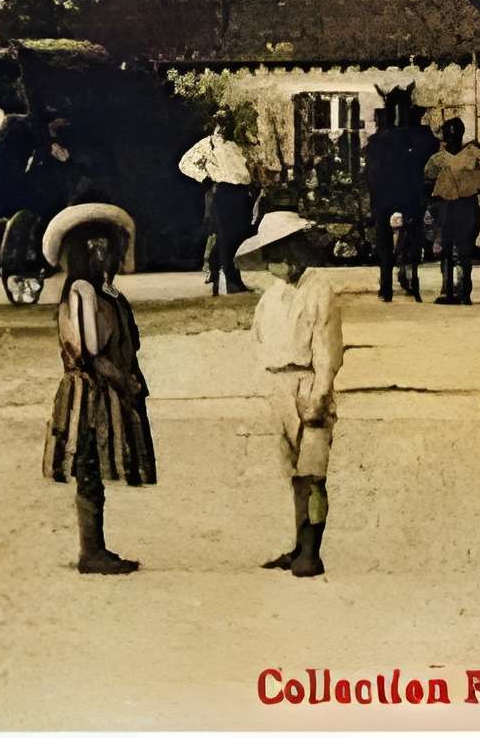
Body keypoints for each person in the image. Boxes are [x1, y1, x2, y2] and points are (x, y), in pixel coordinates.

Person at [41, 202, 152, 575]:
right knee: (88, 468)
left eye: (107, 243)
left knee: (92, 471)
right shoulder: (83, 292)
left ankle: (96, 547)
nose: (105, 251)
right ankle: (91, 552)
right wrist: (125, 383)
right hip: (90, 391)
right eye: (95, 244)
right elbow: (91, 352)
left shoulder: (105, 292)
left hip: (103, 388)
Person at [241, 209, 342, 578]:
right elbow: (259, 340)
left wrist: (319, 394)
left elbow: (328, 349)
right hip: (279, 387)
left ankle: (312, 552)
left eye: (281, 255)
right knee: (294, 474)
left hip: (308, 383)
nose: (277, 264)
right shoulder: (271, 297)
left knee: (313, 474)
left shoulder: (320, 290)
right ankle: (299, 544)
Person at [422, 118, 480, 306]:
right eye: (449, 134)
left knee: (464, 250)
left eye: (456, 134)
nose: (452, 138)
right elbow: (427, 179)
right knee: (446, 249)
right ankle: (446, 291)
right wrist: (433, 201)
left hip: (467, 205)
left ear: (462, 135)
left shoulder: (472, 152)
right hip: (445, 206)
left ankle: (464, 292)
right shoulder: (437, 159)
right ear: (444, 136)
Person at [179, 110, 256, 294]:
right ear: (216, 123)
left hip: (241, 192)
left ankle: (232, 277)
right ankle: (231, 282)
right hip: (223, 192)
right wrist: (204, 177)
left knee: (240, 236)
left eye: (228, 122)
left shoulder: (238, 144)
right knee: (225, 238)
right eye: (222, 122)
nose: (225, 125)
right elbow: (185, 163)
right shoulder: (208, 144)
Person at [362, 101, 425, 302]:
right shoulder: (407, 140)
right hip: (405, 196)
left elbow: (370, 176)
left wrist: (373, 200)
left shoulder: (374, 144)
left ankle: (386, 289)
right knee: (410, 240)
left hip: (383, 198)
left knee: (384, 244)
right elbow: (414, 171)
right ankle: (411, 282)